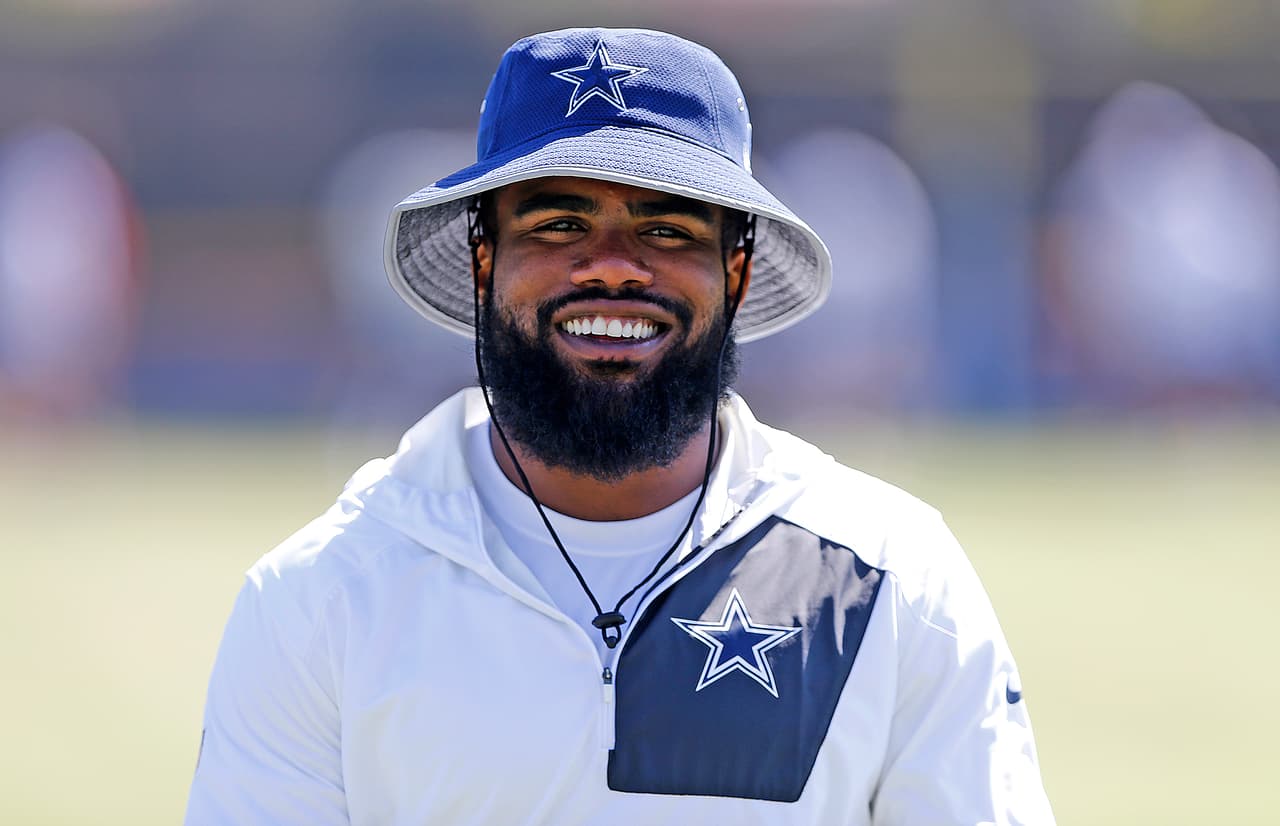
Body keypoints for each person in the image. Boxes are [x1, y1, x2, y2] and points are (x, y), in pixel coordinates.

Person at [185, 27, 1055, 825]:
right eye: (560, 223)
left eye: (668, 228)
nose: (611, 267)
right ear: (485, 260)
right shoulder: (323, 596)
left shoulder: (890, 579)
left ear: (739, 268)